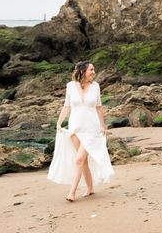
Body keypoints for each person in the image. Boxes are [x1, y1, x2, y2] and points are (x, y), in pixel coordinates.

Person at [47, 61, 114, 201]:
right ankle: (90, 188)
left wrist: (102, 126)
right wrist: (59, 123)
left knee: (78, 159)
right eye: (91, 69)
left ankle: (71, 193)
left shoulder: (96, 87)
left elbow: (99, 107)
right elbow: (67, 106)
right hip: (75, 128)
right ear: (83, 71)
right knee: (83, 162)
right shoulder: (70, 86)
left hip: (92, 129)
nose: (94, 72)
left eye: (94, 69)